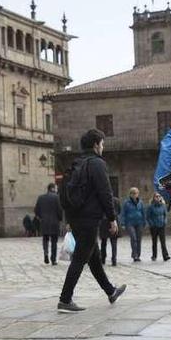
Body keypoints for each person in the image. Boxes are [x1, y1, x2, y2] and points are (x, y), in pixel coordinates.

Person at [58, 128, 127, 313]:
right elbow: (105, 193)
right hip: (89, 218)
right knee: (80, 258)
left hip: (76, 216)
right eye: (102, 144)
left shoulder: (76, 163)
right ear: (96, 145)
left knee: (94, 257)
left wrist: (69, 219)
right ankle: (65, 299)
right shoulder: (96, 164)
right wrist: (112, 218)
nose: (103, 147)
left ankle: (110, 291)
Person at [35, 183, 64, 265]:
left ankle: (46, 253)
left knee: (45, 239)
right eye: (56, 188)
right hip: (54, 222)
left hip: (44, 222)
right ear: (52, 188)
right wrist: (60, 219)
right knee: (54, 241)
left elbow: (36, 210)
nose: (57, 189)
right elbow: (60, 210)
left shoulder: (41, 198)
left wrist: (41, 217)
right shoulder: (57, 198)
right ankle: (53, 259)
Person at [121, 187, 146, 262]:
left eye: (136, 193)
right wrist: (122, 223)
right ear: (130, 194)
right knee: (133, 238)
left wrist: (144, 222)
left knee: (139, 239)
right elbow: (123, 213)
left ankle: (138, 255)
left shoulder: (140, 202)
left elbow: (143, 212)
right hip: (130, 223)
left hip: (139, 223)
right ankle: (134, 255)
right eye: (133, 193)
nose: (135, 195)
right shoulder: (126, 203)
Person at [146, 192, 171, 261]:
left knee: (163, 242)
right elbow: (148, 217)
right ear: (153, 198)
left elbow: (165, 214)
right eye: (156, 196)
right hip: (154, 226)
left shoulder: (163, 206)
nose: (158, 198)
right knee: (154, 242)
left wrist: (164, 221)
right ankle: (154, 255)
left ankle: (165, 255)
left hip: (161, 226)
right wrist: (151, 224)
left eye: (159, 196)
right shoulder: (151, 206)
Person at [99, 196, 121, 266]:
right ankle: (114, 260)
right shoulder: (116, 200)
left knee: (104, 242)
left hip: (104, 222)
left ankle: (103, 259)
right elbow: (119, 211)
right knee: (114, 242)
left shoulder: (101, 200)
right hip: (114, 221)